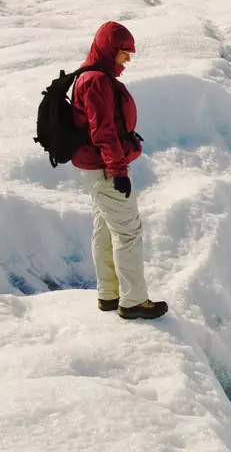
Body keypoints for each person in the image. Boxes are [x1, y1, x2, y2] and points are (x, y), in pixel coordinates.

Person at [72, 21, 168, 320]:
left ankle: (109, 294)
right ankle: (134, 301)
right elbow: (104, 132)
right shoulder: (97, 82)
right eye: (124, 53)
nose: (128, 60)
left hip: (96, 167)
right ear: (109, 50)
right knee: (128, 232)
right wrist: (119, 170)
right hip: (105, 168)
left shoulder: (89, 77)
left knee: (105, 228)